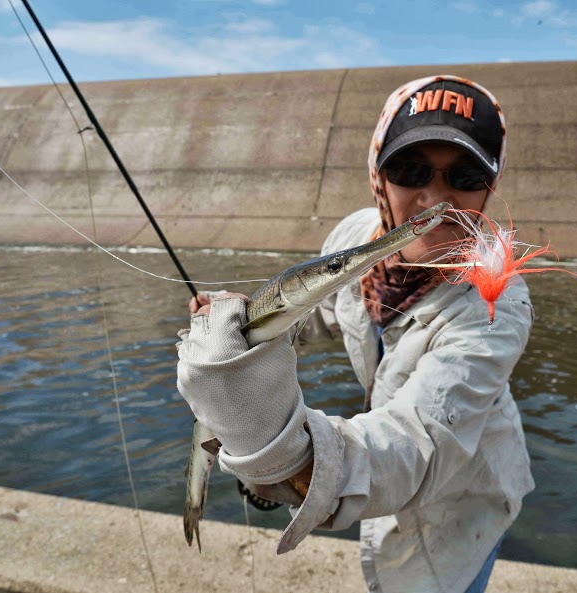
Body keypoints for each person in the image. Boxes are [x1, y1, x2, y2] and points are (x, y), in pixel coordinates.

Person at [176, 75, 535, 593]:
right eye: (409, 170)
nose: (436, 198)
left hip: (465, 504)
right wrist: (242, 328)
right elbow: (319, 316)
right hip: (385, 482)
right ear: (379, 177)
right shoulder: (356, 238)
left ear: (490, 185)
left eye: (466, 174)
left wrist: (287, 453)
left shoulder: (496, 309)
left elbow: (418, 444)